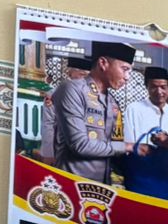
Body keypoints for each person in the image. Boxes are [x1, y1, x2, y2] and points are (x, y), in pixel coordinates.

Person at [52, 41, 154, 181]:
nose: (127, 77)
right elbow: (80, 145)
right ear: (103, 63)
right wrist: (129, 146)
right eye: (124, 69)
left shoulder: (112, 102)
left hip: (101, 185)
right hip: (72, 182)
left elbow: (112, 147)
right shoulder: (73, 90)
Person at [123, 66, 168, 198]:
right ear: (147, 87)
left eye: (163, 87)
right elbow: (128, 143)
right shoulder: (134, 109)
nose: (159, 91)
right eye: (153, 87)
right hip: (141, 173)